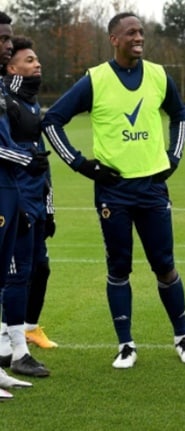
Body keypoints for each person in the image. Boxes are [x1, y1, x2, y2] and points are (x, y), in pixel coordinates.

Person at [41, 12, 185, 368]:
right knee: (119, 268)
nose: (138, 37)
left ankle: (183, 338)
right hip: (113, 190)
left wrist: (173, 156)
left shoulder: (159, 75)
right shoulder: (95, 80)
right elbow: (51, 121)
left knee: (165, 265)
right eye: (131, 33)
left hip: (153, 187)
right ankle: (126, 345)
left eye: (141, 32)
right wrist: (82, 164)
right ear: (114, 39)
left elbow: (181, 116)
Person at [0, 12, 49, 396]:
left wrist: (47, 202)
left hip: (24, 195)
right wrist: (25, 160)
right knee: (13, 276)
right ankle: (13, 349)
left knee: (28, 270)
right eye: (4, 39)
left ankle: (13, 349)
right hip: (10, 192)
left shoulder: (21, 99)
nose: (7, 44)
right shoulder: (8, 94)